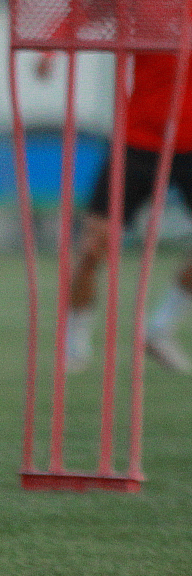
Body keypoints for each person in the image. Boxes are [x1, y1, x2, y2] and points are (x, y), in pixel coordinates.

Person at [39, 50, 192, 374]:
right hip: (137, 142)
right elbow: (91, 7)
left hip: (190, 146)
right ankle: (74, 345)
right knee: (92, 247)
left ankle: (159, 330)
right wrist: (50, 50)